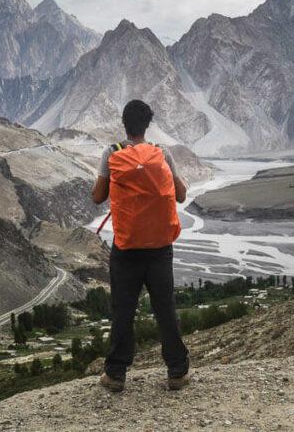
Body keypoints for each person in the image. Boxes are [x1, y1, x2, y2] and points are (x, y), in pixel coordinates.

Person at [91, 99, 190, 392]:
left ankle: (116, 374)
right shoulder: (161, 153)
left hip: (126, 248)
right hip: (159, 248)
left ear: (124, 124)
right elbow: (181, 195)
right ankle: (177, 372)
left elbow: (97, 197)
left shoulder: (112, 153)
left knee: (123, 309)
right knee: (165, 308)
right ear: (148, 125)